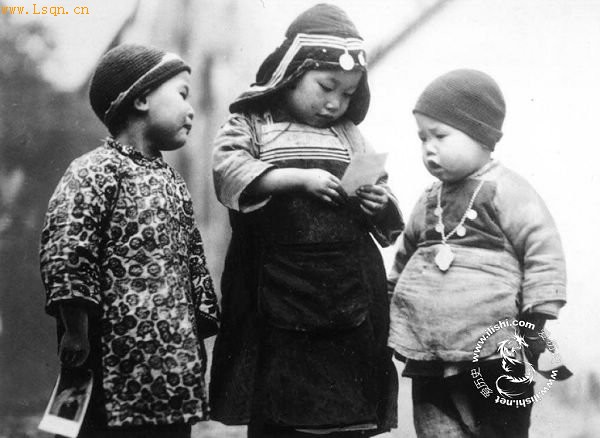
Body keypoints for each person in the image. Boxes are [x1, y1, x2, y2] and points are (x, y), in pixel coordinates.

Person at [210, 4, 404, 437]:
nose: (335, 103)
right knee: (279, 402)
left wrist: (378, 201)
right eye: (326, 87)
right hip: (276, 286)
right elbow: (228, 169)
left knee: (345, 403)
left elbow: (380, 186)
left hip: (345, 290)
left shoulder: (348, 134)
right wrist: (298, 179)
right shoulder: (251, 123)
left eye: (348, 94)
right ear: (292, 72)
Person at [39, 44, 220, 438]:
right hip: (111, 358)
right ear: (141, 99)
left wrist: (200, 327)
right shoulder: (94, 171)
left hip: (170, 365)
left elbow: (193, 259)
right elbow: (68, 247)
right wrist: (74, 326)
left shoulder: (173, 182)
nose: (191, 110)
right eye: (182, 94)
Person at [387, 69, 567, 437]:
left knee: (501, 428)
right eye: (422, 138)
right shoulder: (428, 200)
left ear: (480, 134)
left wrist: (537, 313)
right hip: (430, 350)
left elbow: (542, 245)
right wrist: (389, 305)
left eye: (440, 135)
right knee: (436, 428)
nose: (429, 148)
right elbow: (404, 259)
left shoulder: (507, 189)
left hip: (494, 349)